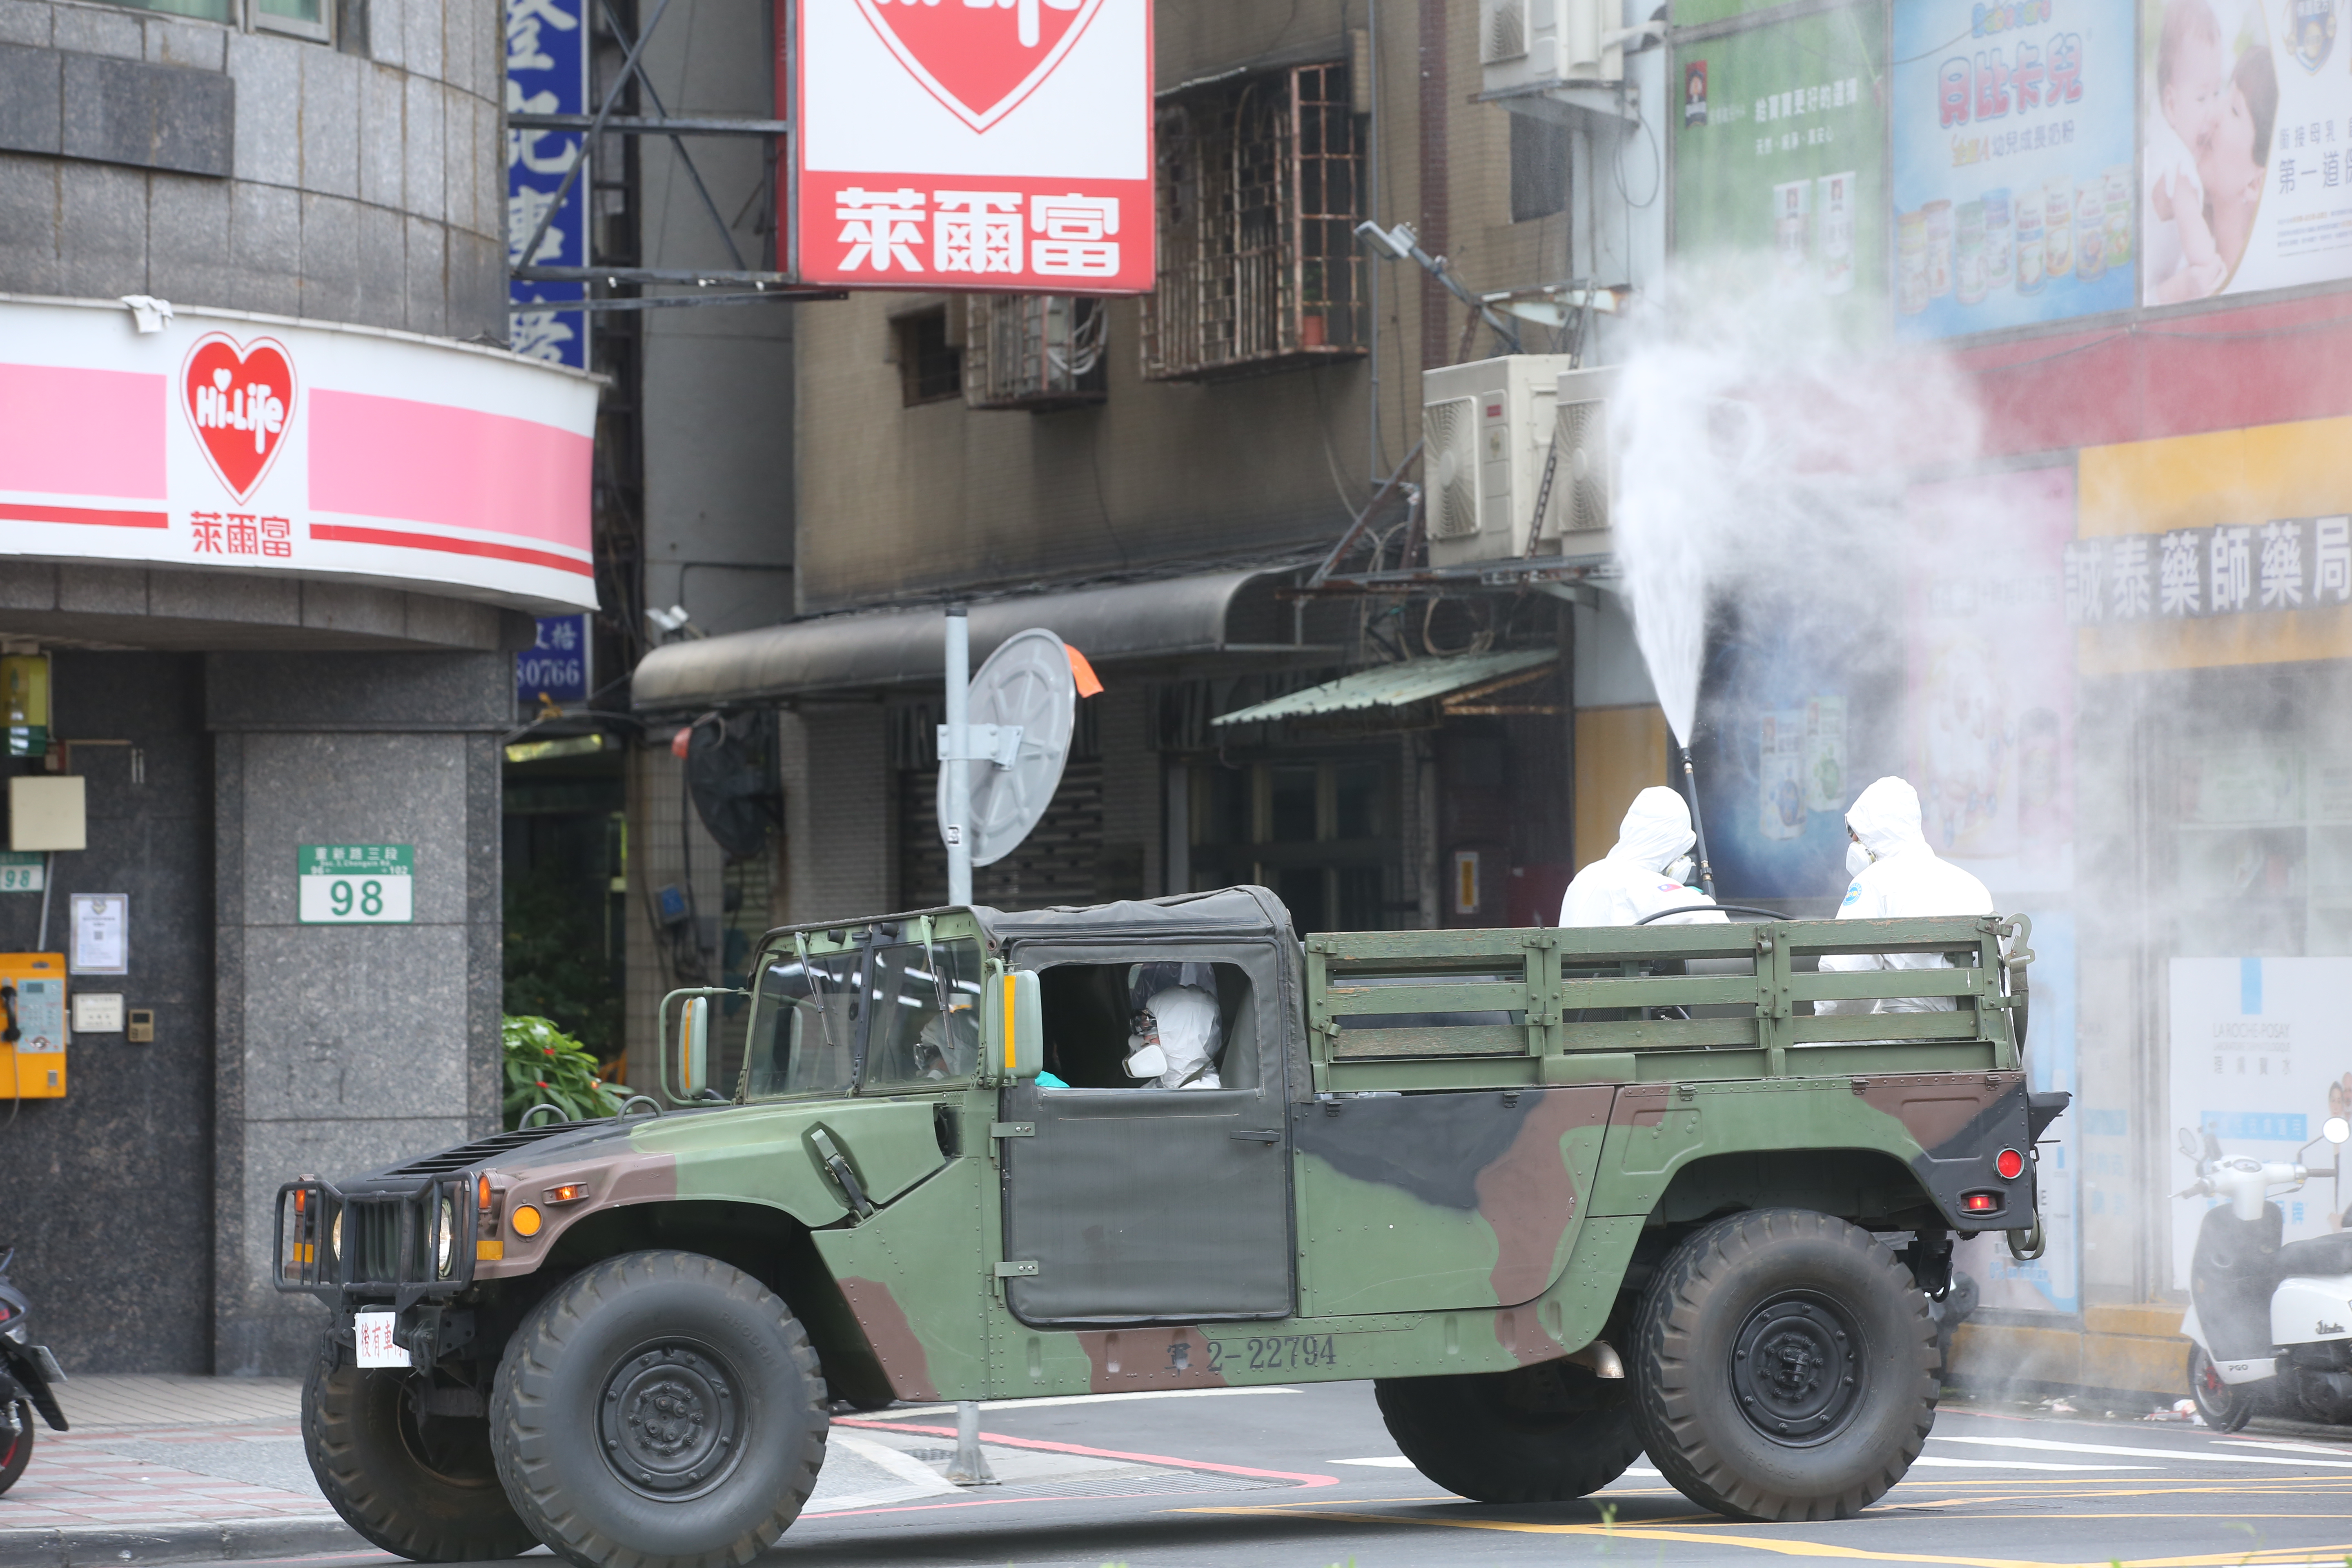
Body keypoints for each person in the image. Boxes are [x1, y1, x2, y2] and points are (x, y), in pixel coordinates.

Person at [1818, 776, 1993, 1014]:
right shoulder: (1972, 885)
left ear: (1870, 834)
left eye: (1855, 832)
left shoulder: (1872, 881)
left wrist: (1823, 1026)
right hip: (1978, 1030)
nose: (1854, 841)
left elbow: (1845, 981)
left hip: (1905, 1034)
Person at [1559, 786, 1726, 927]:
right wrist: (1690, 895)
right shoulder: (1640, 884)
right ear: (1671, 843)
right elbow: (1715, 923)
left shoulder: (1585, 876)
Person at [1125, 984, 1223, 1089]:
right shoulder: (1156, 1087)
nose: (1145, 1041)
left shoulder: (1206, 1093)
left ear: (1180, 1038)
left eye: (1152, 1035)